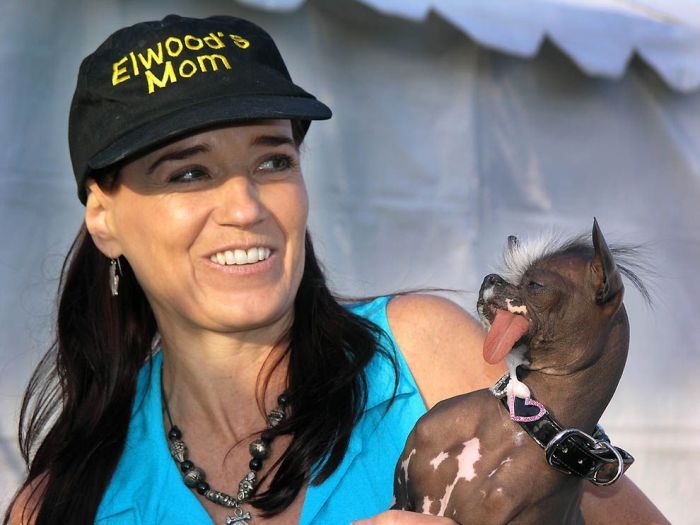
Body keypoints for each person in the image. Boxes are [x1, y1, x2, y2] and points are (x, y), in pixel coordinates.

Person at [5, 14, 668, 525]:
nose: (244, 204)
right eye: (188, 172)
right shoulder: (62, 502)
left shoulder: (423, 356)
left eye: (272, 160)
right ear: (103, 217)